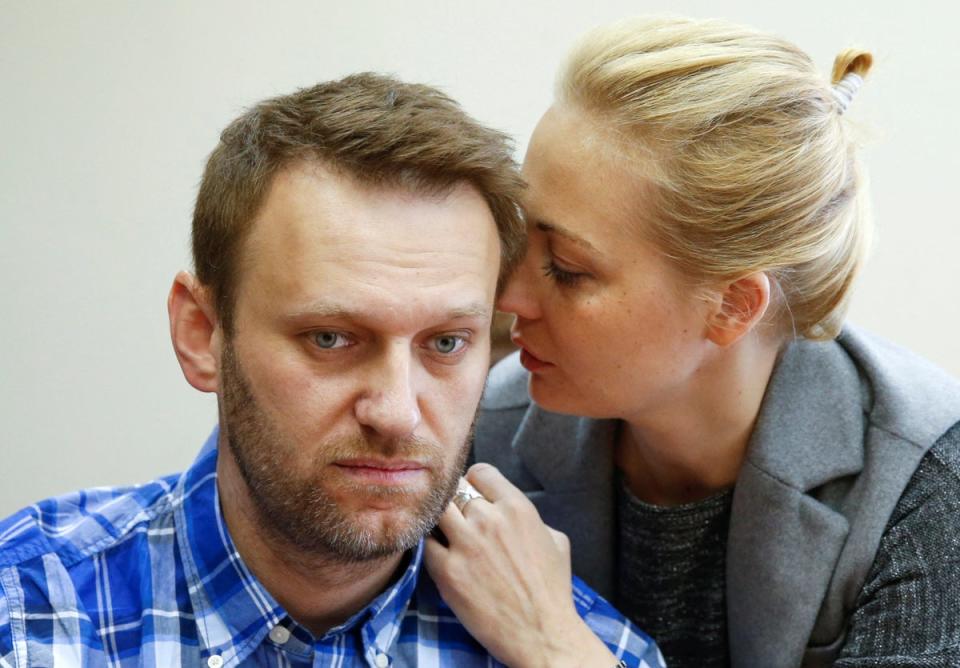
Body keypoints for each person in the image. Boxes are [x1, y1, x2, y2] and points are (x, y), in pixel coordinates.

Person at [0, 73, 664, 668]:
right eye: (330, 338)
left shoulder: (592, 650)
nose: (398, 411)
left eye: (446, 344)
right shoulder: (29, 614)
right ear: (201, 334)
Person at [424, 16, 960, 668]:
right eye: (518, 237)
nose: (506, 301)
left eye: (566, 268)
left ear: (731, 306)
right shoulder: (477, 427)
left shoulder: (929, 490)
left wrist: (553, 647)